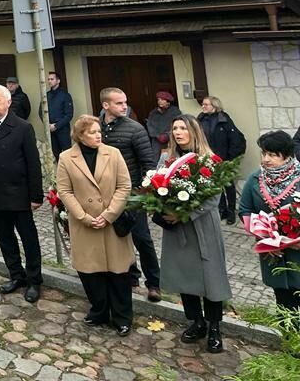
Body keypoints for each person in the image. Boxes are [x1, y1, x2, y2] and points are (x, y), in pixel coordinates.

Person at [152, 114, 232, 353]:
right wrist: (162, 207)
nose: (178, 132)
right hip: (178, 230)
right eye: (175, 128)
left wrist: (184, 214)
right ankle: (196, 322)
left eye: (182, 128)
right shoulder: (168, 159)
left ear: (193, 131)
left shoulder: (210, 161)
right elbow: (157, 186)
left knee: (211, 278)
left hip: (202, 227)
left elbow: (212, 199)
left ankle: (215, 327)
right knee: (185, 276)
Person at [56, 115, 135, 336]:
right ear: (80, 135)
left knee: (118, 272)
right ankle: (99, 310)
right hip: (85, 224)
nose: (98, 135)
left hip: (112, 222)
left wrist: (109, 214)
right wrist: (83, 217)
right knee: (91, 271)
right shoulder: (66, 158)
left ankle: (122, 317)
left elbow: (124, 186)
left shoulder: (113, 154)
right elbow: (64, 191)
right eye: (92, 132)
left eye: (99, 131)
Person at [0, 84, 44, 303]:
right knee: (5, 238)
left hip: (19, 193)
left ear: (8, 102)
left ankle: (34, 280)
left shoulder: (22, 127)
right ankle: (16, 275)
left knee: (28, 239)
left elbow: (33, 163)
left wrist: (36, 196)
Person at [99, 86, 162, 303]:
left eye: (125, 102)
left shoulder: (135, 129)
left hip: (133, 194)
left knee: (142, 238)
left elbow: (148, 163)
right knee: (118, 238)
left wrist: (143, 192)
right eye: (119, 103)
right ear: (106, 105)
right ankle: (130, 275)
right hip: (106, 193)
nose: (125, 106)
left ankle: (154, 283)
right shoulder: (96, 128)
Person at [239, 130, 300, 311]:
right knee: (284, 304)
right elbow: (245, 210)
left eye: (272, 155)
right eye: (264, 153)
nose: (266, 159)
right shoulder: (255, 179)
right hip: (272, 255)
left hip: (297, 253)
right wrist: (265, 238)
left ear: (287, 155)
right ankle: (289, 339)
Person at [198, 96, 246, 223]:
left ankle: (231, 212)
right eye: (202, 104)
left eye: (206, 104)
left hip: (224, 158)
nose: (203, 106)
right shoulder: (200, 119)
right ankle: (222, 209)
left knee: (228, 186)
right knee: (215, 185)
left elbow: (235, 139)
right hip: (208, 159)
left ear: (214, 106)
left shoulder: (224, 119)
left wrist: (230, 157)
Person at [45, 71, 74, 161]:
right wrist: (48, 124)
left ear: (58, 81)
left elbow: (69, 115)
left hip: (62, 129)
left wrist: (56, 126)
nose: (50, 81)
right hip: (50, 129)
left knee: (67, 153)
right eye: (48, 79)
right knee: (55, 153)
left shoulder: (65, 95)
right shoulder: (47, 95)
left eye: (52, 79)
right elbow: (41, 112)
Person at [145, 91, 181, 157]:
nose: (160, 101)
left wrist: (167, 135)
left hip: (171, 140)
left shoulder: (175, 112)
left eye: (162, 99)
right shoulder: (153, 113)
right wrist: (157, 136)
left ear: (168, 101)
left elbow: (177, 125)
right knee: (155, 159)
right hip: (156, 141)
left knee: (171, 158)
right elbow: (149, 126)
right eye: (158, 99)